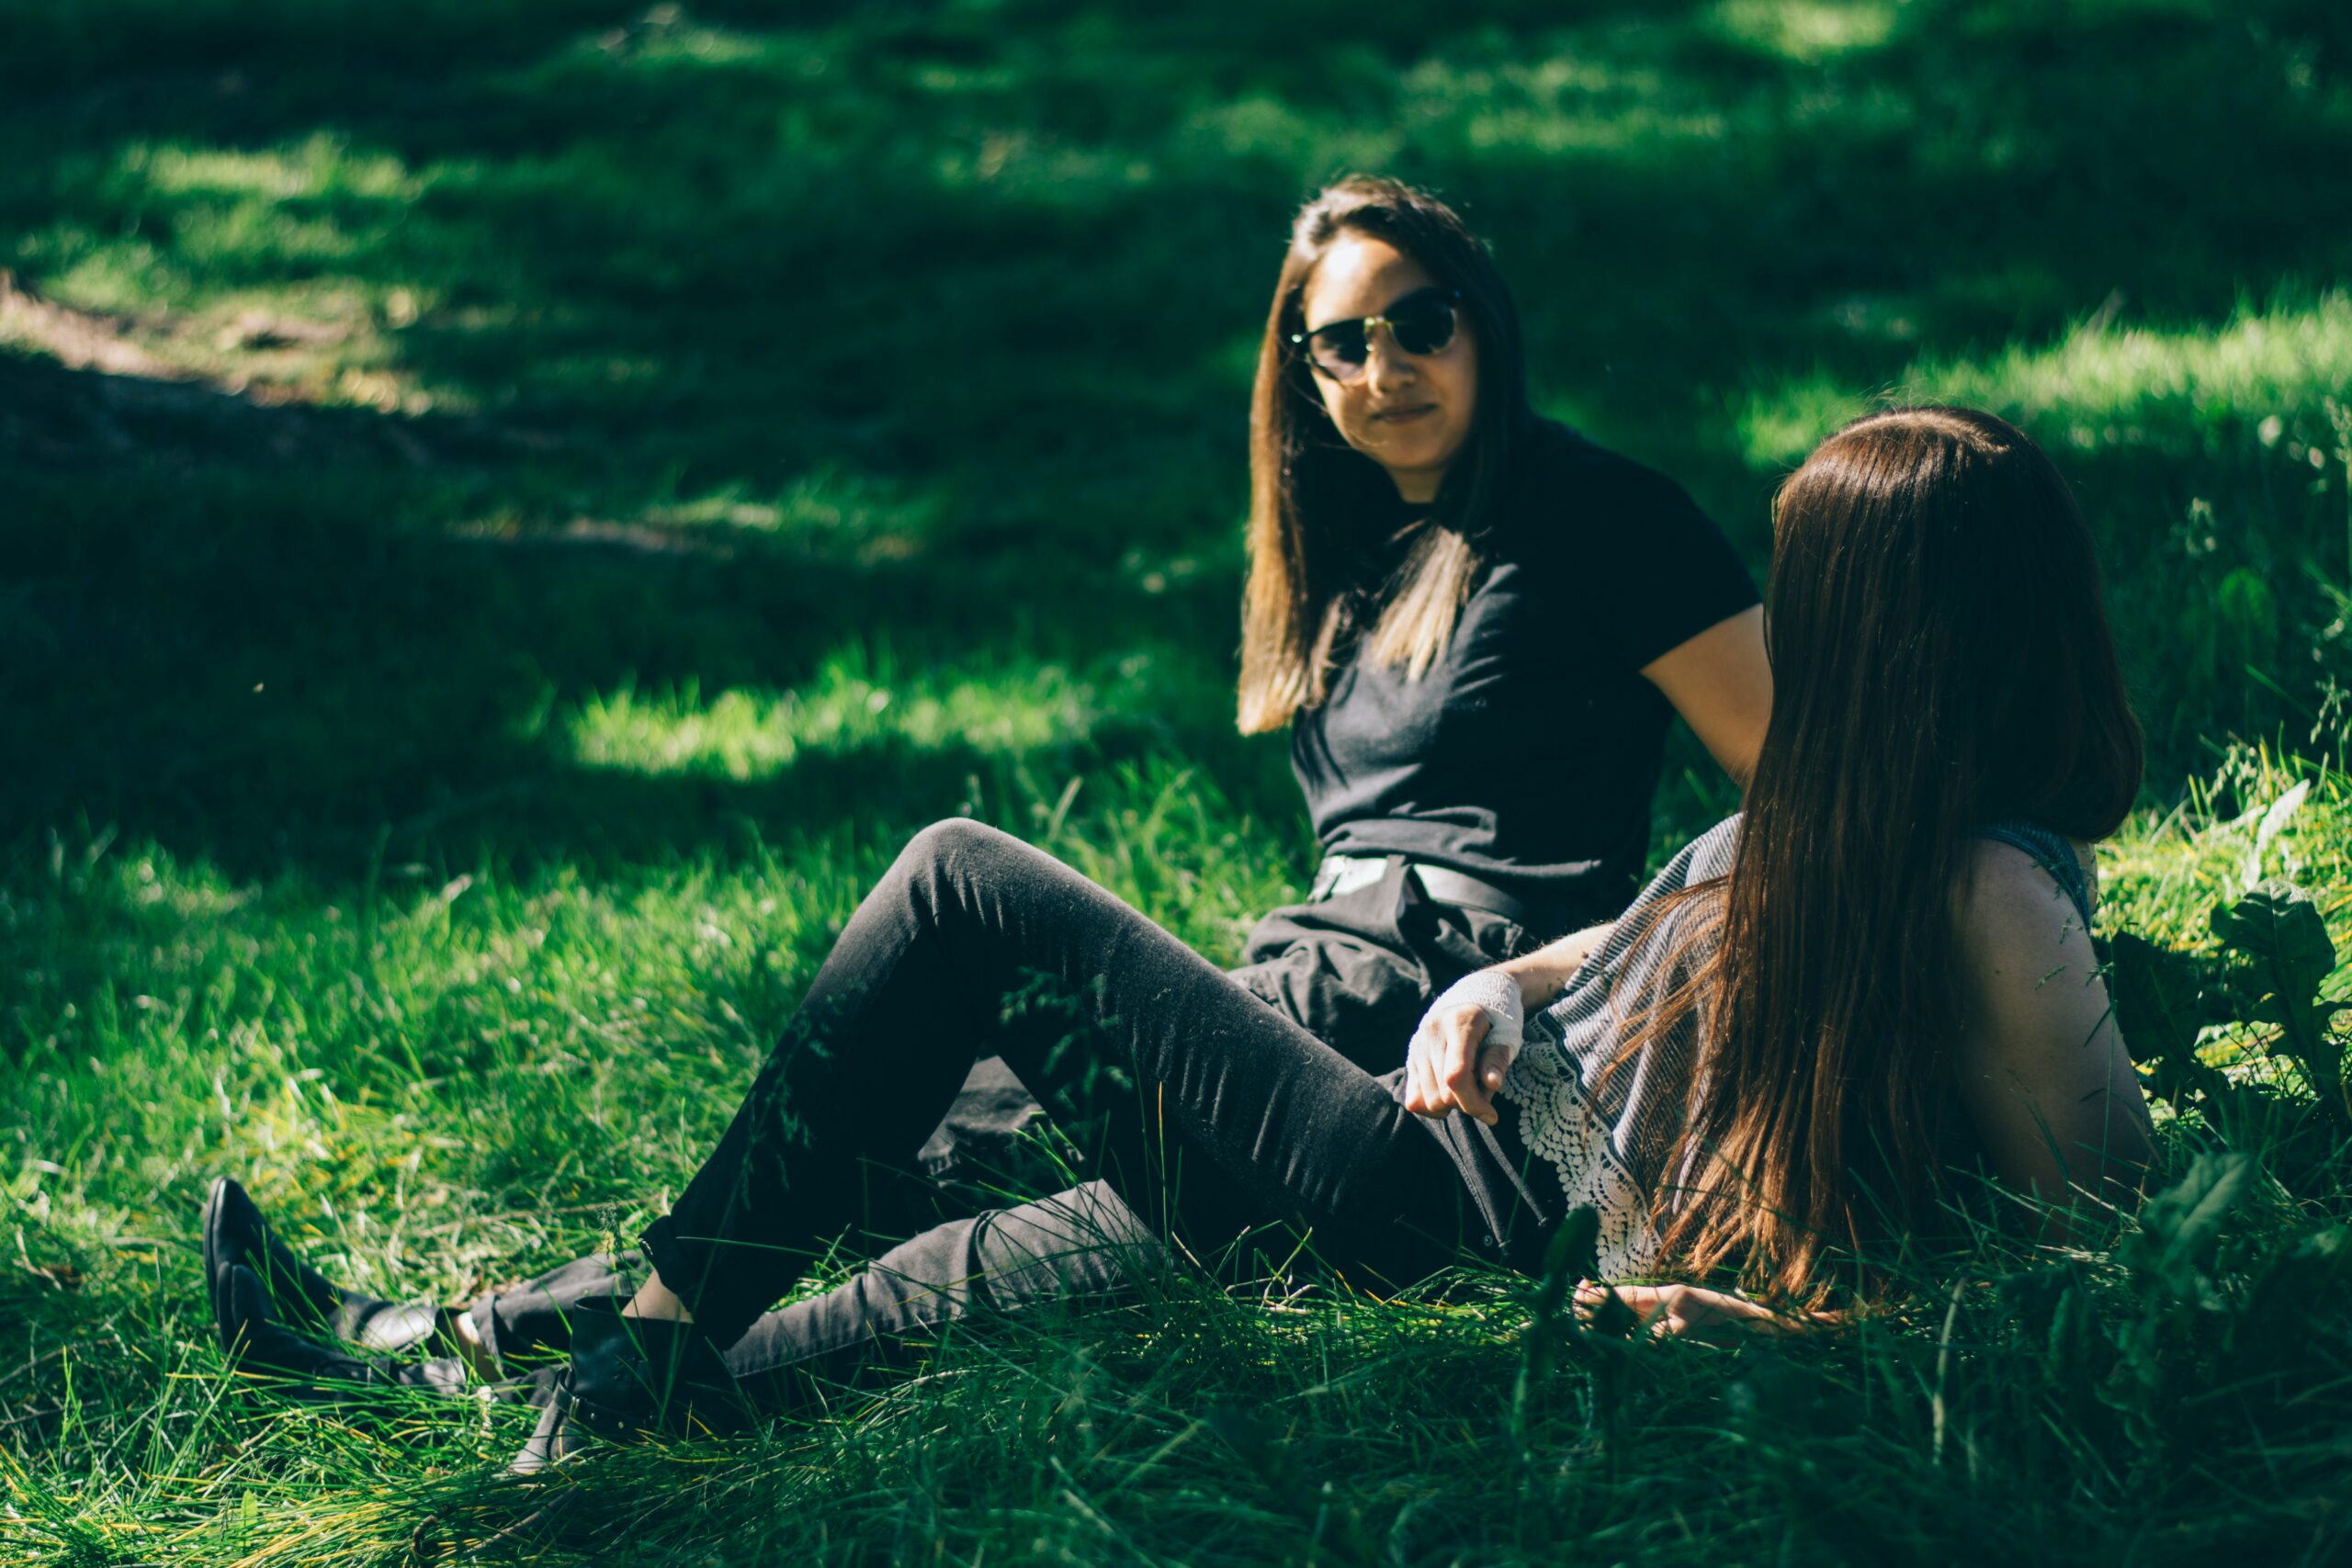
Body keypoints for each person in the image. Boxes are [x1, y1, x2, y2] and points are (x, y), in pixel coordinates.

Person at [206, 405, 2153, 1462]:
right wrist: (1503, 978)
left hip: (1441, 1205)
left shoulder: (1991, 890)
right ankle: (468, 1374)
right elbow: (1645, 955)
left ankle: (618, 1372)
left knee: (963, 883)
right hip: (1440, 1127)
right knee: (887, 1304)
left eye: (1810, 589)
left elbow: (2108, 1272)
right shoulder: (1833, 822)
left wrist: (1789, 1341)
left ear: (1888, 628)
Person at [921, 174, 1770, 1188]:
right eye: (1343, 344)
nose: (1386, 369)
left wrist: (1557, 970)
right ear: (1304, 370)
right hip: (1325, 960)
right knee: (951, 1090)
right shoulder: (1353, 544)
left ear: (1484, 325)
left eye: (1422, 325)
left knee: (972, 1135)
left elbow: (1810, 802)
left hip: (1446, 978)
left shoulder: (1609, 520)